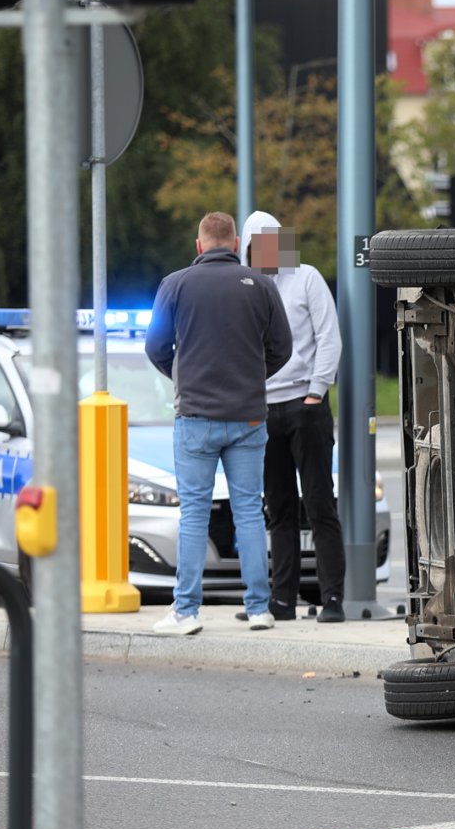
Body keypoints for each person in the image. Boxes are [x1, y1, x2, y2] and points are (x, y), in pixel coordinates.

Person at [145, 211, 292, 635]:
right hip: (248, 416)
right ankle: (260, 608)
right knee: (249, 511)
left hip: (195, 418)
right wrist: (250, 378)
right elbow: (283, 347)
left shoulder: (175, 285)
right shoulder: (260, 285)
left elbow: (155, 345)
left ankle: (186, 613)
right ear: (234, 244)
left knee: (194, 514)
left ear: (199, 245)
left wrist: (183, 374)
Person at [237, 210, 347, 623]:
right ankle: (281, 600)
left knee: (319, 503)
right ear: (247, 248)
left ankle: (332, 598)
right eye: (255, 246)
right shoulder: (245, 286)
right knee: (278, 509)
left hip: (305, 405)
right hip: (263, 411)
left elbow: (327, 336)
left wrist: (316, 393)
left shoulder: (307, 277)